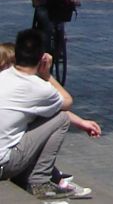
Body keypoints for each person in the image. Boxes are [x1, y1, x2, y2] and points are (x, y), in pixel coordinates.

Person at [0, 42, 97, 198]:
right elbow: (65, 102)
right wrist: (46, 76)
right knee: (61, 119)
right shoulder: (25, 86)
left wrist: (81, 122)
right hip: (4, 165)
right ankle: (39, 181)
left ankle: (46, 175)